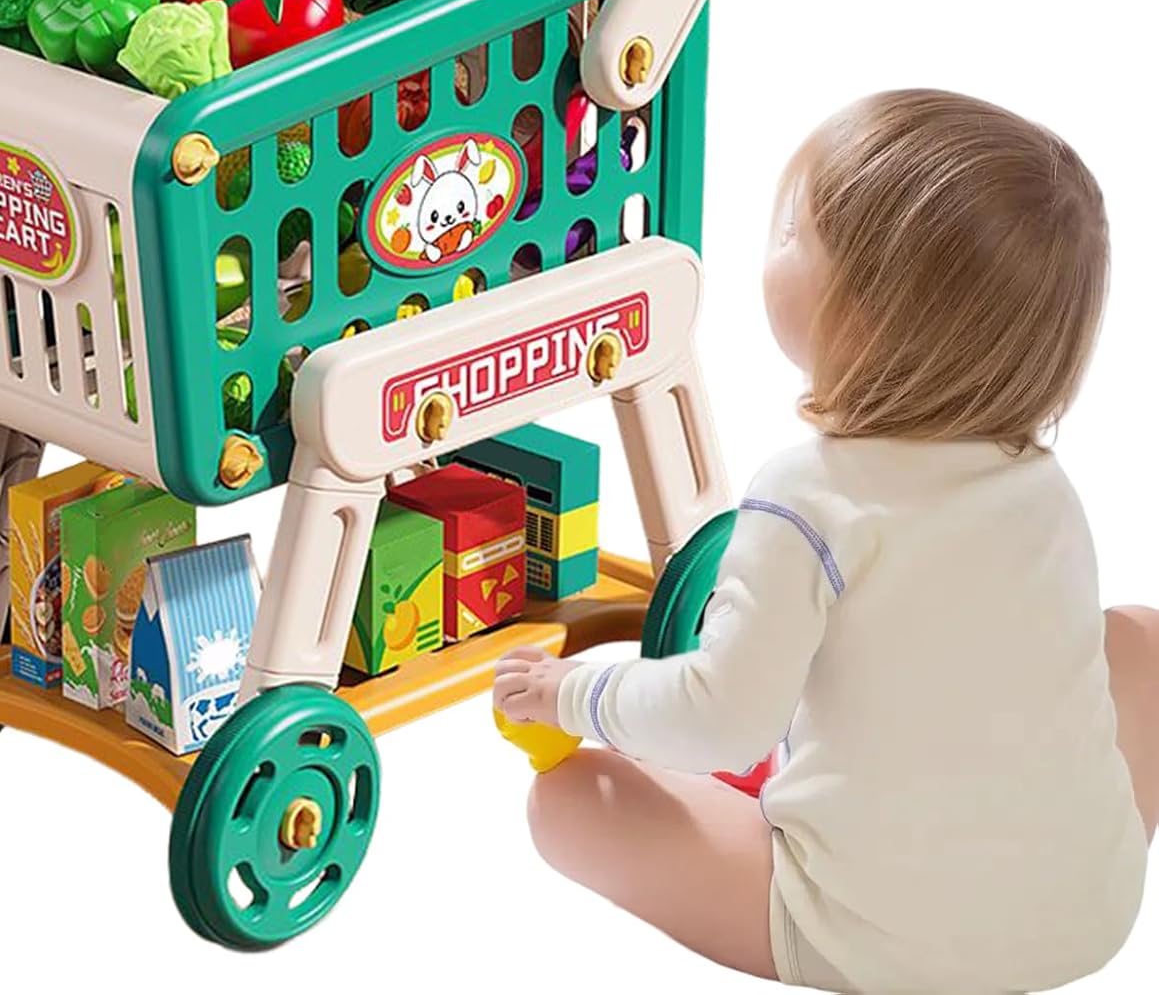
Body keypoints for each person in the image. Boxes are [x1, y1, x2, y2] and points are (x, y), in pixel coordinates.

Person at [493, 89, 1158, 992]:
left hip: (865, 938)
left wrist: (573, 693)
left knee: (569, 801)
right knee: (1138, 637)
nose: (772, 240)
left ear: (863, 316)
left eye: (791, 232)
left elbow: (721, 725)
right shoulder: (1045, 489)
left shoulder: (807, 498)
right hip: (1088, 917)